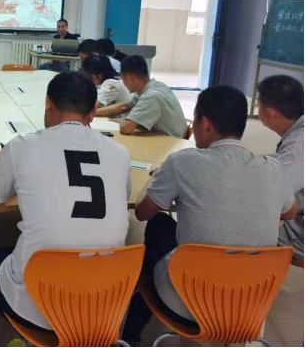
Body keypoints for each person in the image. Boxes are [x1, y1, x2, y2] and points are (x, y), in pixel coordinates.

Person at [123, 86, 298, 344]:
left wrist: (154, 178)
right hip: (250, 304)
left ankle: (131, 333)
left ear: (204, 123)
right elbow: (290, 212)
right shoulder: (273, 168)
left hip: (188, 304)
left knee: (158, 224)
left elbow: (142, 212)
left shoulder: (182, 162)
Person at [0, 72, 132, 332]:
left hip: (40, 306)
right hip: (103, 304)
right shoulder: (120, 153)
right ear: (93, 113)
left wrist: (0, 166)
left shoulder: (21, 146)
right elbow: (122, 198)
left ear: (48, 102)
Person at [258, 75, 304, 262]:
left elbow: (271, 192)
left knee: (233, 221)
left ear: (271, 113)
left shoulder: (298, 146)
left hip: (297, 232)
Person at [104, 56, 187, 138]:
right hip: (164, 138)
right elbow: (125, 106)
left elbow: (125, 128)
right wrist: (97, 112)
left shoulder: (151, 96)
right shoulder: (155, 86)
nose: (124, 84)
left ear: (130, 78)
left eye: (123, 80)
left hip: (169, 141)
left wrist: (124, 121)